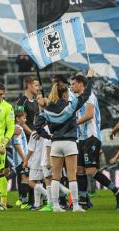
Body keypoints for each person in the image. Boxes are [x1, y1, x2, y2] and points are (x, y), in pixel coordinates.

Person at [34, 70, 95, 212]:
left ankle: (55, 205)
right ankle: (75, 206)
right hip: (69, 143)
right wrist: (90, 78)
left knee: (56, 177)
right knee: (72, 176)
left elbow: (37, 126)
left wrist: (48, 136)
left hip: (55, 144)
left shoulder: (47, 108)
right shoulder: (70, 106)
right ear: (65, 93)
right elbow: (85, 95)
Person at [71, 73, 101, 209]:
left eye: (73, 84)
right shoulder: (79, 98)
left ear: (81, 84)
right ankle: (84, 200)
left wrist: (74, 123)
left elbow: (89, 115)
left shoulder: (89, 96)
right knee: (79, 170)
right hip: (81, 138)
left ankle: (116, 191)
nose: (72, 86)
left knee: (90, 171)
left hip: (91, 136)